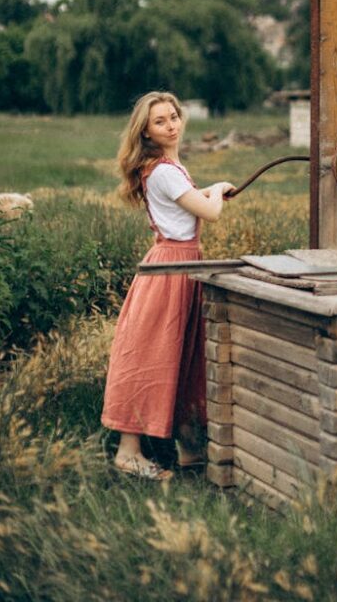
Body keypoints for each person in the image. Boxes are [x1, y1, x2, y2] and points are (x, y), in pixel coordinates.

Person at [101, 90, 235, 480]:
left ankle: (189, 445)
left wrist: (209, 190)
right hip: (171, 268)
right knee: (152, 355)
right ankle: (128, 452)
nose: (171, 125)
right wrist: (217, 189)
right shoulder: (162, 171)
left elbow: (191, 204)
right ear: (146, 130)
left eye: (174, 116)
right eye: (160, 121)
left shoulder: (168, 168)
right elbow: (209, 212)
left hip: (182, 264)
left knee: (188, 353)